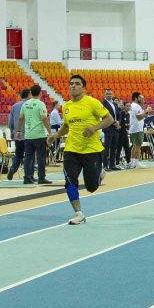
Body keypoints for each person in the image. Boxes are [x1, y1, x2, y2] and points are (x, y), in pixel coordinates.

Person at [47, 74, 114, 225]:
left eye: (77, 84)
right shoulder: (66, 106)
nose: (73, 86)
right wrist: (55, 135)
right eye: (71, 83)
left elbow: (109, 119)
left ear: (84, 88)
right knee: (70, 181)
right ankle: (78, 213)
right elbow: (66, 126)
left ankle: (99, 174)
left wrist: (94, 128)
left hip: (91, 150)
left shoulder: (92, 103)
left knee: (91, 187)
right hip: (72, 149)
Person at [17, 84, 52, 184]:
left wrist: (19, 131)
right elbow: (44, 118)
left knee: (28, 157)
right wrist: (49, 132)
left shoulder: (25, 104)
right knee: (41, 157)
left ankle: (27, 177)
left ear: (31, 93)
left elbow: (20, 118)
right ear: (40, 93)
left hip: (28, 135)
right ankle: (41, 177)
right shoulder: (41, 104)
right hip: (39, 134)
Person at [6, 88, 30, 181]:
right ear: (28, 95)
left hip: (17, 134)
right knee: (29, 156)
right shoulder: (29, 105)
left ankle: (13, 168)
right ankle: (28, 175)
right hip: (28, 134)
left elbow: (10, 121)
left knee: (18, 154)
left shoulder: (14, 106)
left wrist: (12, 131)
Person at [101, 88, 121, 171]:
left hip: (115, 128)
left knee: (114, 147)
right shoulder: (103, 104)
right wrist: (114, 122)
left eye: (110, 93)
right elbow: (104, 116)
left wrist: (118, 122)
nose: (109, 95)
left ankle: (112, 165)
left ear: (112, 94)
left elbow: (118, 114)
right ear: (104, 95)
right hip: (108, 127)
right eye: (107, 94)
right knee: (107, 147)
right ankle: (105, 165)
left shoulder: (115, 104)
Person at [128, 92, 149, 167]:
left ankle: (133, 161)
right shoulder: (136, 106)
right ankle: (136, 162)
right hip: (137, 129)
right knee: (138, 146)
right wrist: (147, 111)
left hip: (134, 128)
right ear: (136, 98)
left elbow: (141, 116)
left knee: (134, 146)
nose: (143, 100)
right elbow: (139, 117)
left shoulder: (133, 105)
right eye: (141, 98)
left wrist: (145, 113)